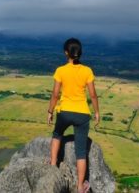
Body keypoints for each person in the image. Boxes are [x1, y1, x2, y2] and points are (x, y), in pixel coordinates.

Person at [47, 37, 100, 193]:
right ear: (80, 53)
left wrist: (50, 111)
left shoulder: (60, 70)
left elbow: (55, 94)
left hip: (64, 112)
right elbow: (93, 95)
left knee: (57, 134)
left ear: (66, 53)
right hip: (82, 115)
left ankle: (52, 166)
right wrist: (97, 112)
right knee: (81, 152)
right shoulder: (87, 71)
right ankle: (79, 187)